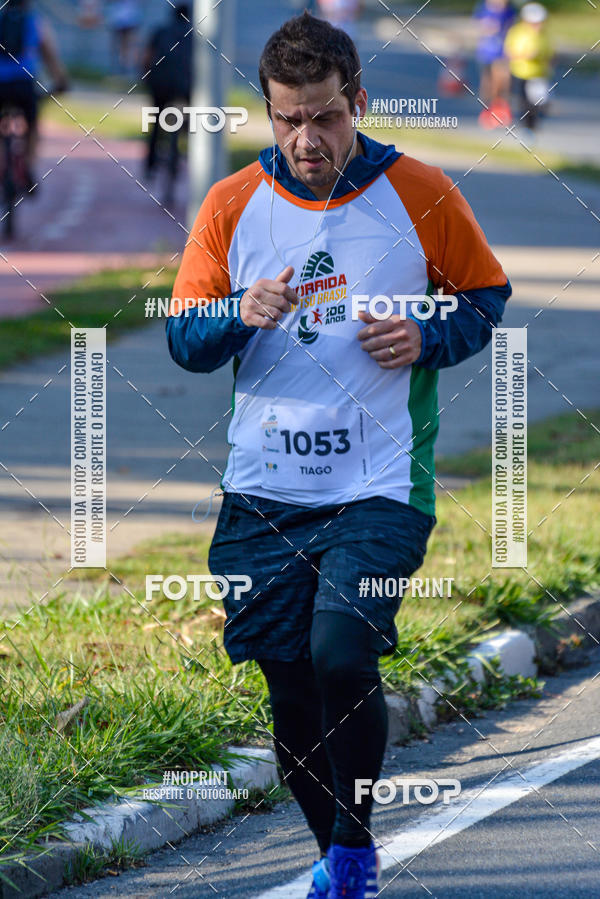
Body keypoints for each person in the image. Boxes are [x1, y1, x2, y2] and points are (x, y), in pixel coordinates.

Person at [166, 12, 511, 898]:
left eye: (324, 116)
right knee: (289, 686)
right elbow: (184, 342)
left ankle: (351, 851)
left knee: (342, 653)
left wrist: (426, 332)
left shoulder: (421, 191)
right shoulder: (232, 204)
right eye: (288, 119)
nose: (307, 138)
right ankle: (341, 854)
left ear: (357, 101)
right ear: (268, 114)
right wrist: (238, 311)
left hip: (380, 483)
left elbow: (483, 296)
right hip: (263, 492)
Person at [0, 0, 68, 191]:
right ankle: (28, 166)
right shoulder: (36, 22)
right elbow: (50, 57)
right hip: (24, 84)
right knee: (32, 126)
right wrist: (61, 81)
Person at [141, 3, 192, 204]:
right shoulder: (195, 36)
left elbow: (146, 57)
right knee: (192, 122)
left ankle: (151, 164)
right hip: (185, 88)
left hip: (159, 85)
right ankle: (188, 147)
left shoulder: (160, 31)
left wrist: (145, 77)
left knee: (156, 123)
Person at [504, 2, 553, 134]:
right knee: (524, 102)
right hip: (521, 72)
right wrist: (526, 55)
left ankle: (534, 123)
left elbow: (549, 52)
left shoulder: (543, 34)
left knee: (539, 101)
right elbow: (510, 51)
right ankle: (527, 127)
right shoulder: (517, 32)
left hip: (539, 73)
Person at [473, 0, 518, 128]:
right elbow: (479, 25)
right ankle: (488, 110)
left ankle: (501, 108)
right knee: (488, 83)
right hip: (487, 51)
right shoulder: (484, 8)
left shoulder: (509, 10)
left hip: (502, 51)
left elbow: (512, 27)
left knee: (503, 80)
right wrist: (488, 28)